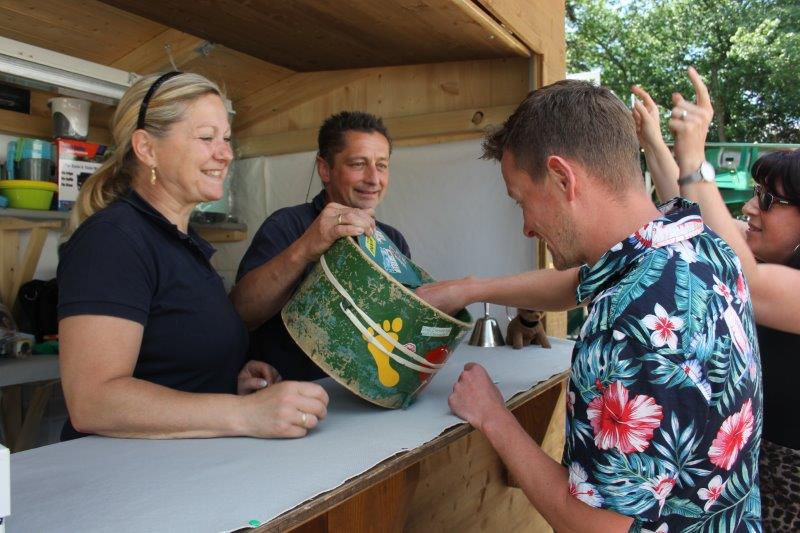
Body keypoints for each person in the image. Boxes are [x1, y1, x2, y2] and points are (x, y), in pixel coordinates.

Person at [417, 80, 762, 532]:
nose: (526, 227)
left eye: (522, 201)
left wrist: (492, 415)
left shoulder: (627, 325)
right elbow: (576, 284)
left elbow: (594, 527)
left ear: (563, 178)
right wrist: (469, 289)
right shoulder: (697, 243)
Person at [58, 72, 328, 441]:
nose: (226, 154)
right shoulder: (112, 239)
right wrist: (243, 413)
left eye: (226, 139)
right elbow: (93, 401)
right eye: (206, 137)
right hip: (118, 471)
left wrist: (226, 383)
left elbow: (171, 368)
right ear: (147, 148)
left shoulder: (185, 244)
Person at [633, 68, 799, 532]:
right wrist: (655, 143)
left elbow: (748, 280)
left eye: (768, 200)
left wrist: (695, 156)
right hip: (749, 466)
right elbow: (694, 215)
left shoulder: (763, 272)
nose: (749, 207)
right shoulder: (766, 253)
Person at [232, 111, 410, 381]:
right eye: (358, 164)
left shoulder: (393, 241)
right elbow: (240, 313)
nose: (374, 179)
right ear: (325, 169)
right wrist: (305, 248)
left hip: (366, 392)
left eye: (382, 165)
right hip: (290, 393)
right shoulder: (286, 225)